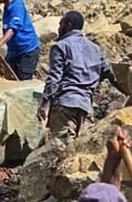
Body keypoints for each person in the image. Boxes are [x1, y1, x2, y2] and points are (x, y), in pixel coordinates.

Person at [39, 11, 125, 140]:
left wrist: (44, 104)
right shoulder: (95, 48)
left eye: (60, 24)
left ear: (68, 25)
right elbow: (111, 74)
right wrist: (129, 93)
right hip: (86, 107)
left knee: (62, 149)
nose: (58, 28)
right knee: (78, 151)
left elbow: (54, 78)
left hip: (65, 104)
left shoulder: (60, 46)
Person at [0, 0, 41, 81]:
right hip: (14, 52)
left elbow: (13, 28)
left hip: (27, 50)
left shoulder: (17, 6)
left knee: (23, 81)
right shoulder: (7, 7)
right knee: (10, 80)